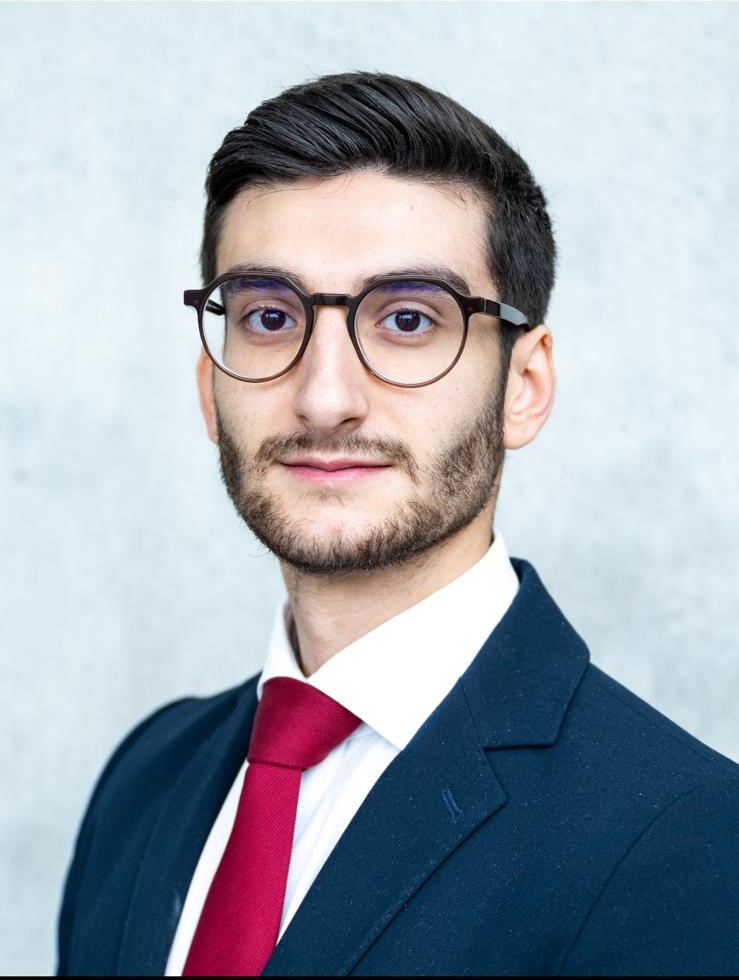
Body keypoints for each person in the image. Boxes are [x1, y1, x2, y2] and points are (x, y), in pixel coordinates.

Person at [57, 72, 739, 977]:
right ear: (209, 391)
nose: (325, 397)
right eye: (268, 316)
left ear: (522, 389)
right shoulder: (145, 780)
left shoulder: (681, 835)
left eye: (409, 319)